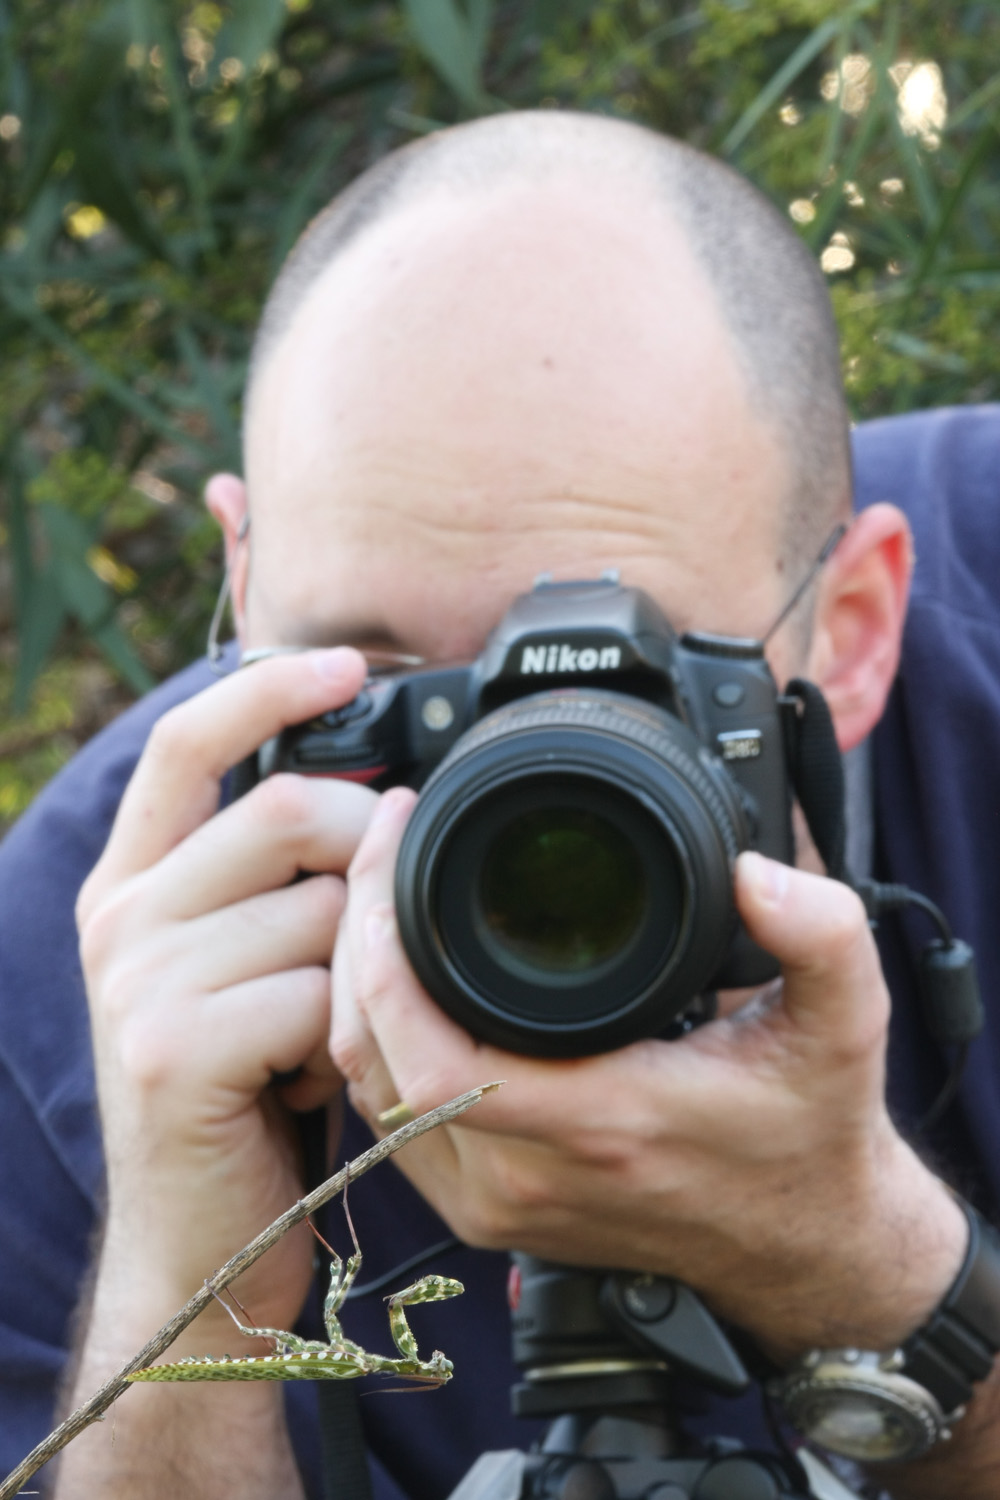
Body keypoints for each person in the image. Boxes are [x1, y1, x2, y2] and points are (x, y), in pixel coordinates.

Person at [1, 110, 999, 1499]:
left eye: (619, 683)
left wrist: (869, 1269)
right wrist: (191, 1292)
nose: (507, 802)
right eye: (392, 683)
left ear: (853, 628)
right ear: (244, 580)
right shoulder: (87, 966)